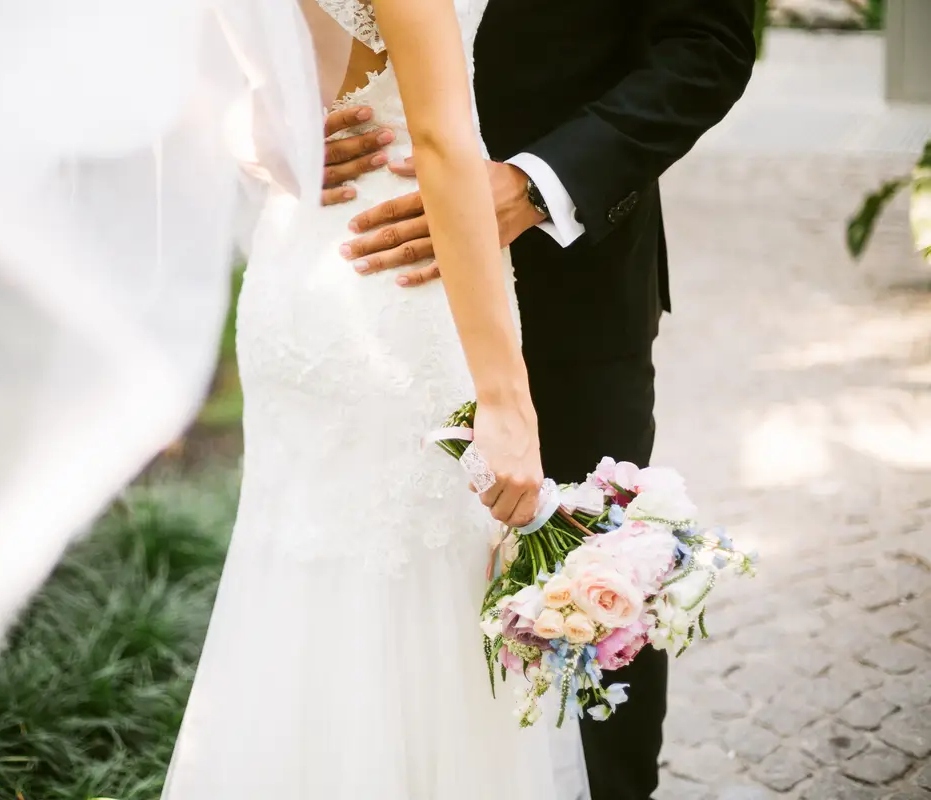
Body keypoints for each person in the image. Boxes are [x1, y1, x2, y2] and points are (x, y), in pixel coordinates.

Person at [321, 2, 756, 797]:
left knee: (586, 599)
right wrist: (267, 130)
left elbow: (709, 46)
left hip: (569, 289)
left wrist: (539, 185)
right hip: (366, 283)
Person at [164, 0, 589, 797]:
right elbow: (439, 137)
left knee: (316, 596)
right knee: (417, 604)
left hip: (306, 262)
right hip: (399, 282)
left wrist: (252, 130)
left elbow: (175, 72)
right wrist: (504, 398)